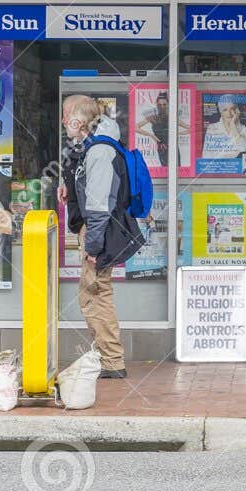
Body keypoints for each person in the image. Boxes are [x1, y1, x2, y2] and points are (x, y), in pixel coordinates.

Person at [60, 94, 145, 380]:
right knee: (95, 292)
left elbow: (98, 205)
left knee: (95, 293)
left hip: (100, 230)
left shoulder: (99, 152)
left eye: (66, 115)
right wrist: (66, 184)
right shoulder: (92, 146)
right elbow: (79, 172)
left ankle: (111, 360)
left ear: (79, 120)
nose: (63, 120)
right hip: (98, 229)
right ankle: (107, 357)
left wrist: (94, 247)